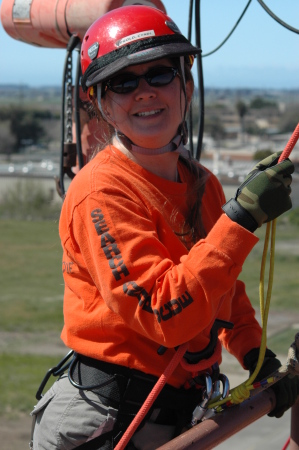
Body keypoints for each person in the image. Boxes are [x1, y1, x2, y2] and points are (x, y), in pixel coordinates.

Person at [31, 5, 298, 450]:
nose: (144, 92)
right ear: (101, 103)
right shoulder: (100, 192)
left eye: (159, 75)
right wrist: (241, 220)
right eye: (122, 82)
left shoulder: (203, 184)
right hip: (104, 421)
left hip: (173, 412)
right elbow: (164, 314)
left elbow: (223, 289)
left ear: (186, 85)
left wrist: (254, 354)